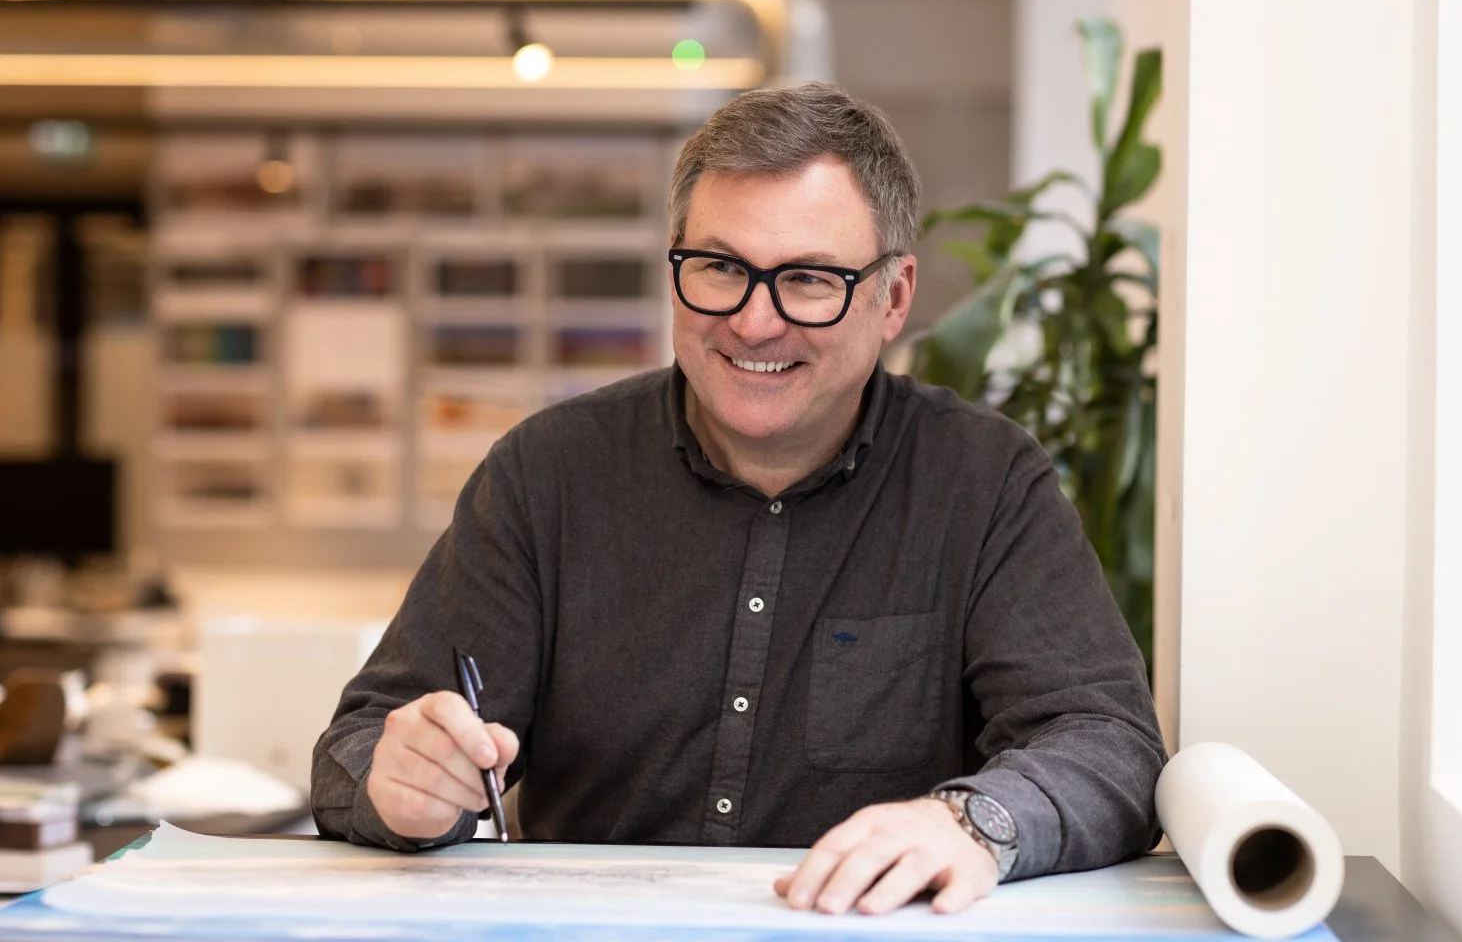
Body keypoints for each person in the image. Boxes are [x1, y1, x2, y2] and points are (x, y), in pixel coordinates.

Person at [311, 82, 1166, 917]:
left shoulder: (984, 485)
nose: (755, 324)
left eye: (807, 280)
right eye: (721, 267)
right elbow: (360, 744)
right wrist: (400, 787)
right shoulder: (547, 475)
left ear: (894, 297)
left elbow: (1109, 744)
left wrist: (970, 824)